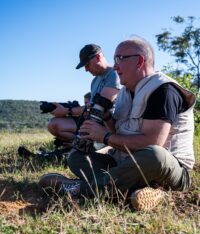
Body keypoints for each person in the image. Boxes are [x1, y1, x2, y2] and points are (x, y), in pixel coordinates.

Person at [39, 35, 196, 211]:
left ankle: (80, 189)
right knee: (76, 158)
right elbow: (120, 131)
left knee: (154, 155)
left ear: (140, 61)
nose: (115, 66)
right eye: (115, 59)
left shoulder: (163, 90)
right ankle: (139, 193)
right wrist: (106, 119)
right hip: (127, 162)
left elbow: (152, 143)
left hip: (167, 169)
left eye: (120, 59)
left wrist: (105, 136)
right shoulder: (125, 92)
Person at [47, 44, 120, 149]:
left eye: (87, 64)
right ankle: (77, 145)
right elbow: (90, 107)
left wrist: (68, 111)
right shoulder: (94, 81)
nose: (86, 69)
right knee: (54, 124)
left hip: (108, 124)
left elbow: (98, 110)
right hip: (92, 122)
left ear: (98, 57)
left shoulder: (113, 74)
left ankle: (86, 146)